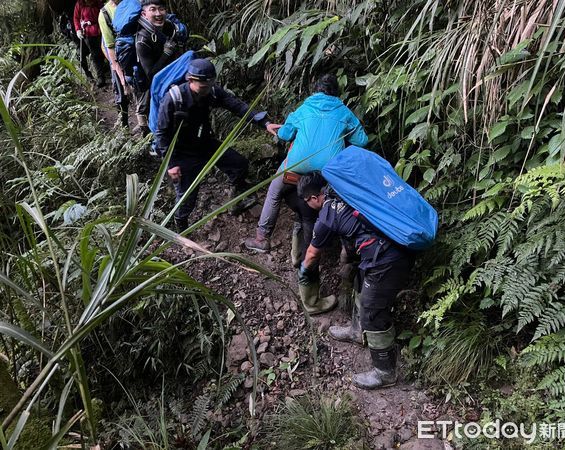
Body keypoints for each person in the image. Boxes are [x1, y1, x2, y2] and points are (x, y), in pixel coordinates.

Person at [297, 172, 415, 389]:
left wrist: (303, 271)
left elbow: (312, 254)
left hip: (387, 257)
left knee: (373, 310)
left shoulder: (326, 216)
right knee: (360, 284)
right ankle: (357, 332)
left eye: (306, 201)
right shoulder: (343, 192)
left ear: (313, 198)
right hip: (385, 248)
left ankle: (385, 372)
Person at [244, 74, 368, 260]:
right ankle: (348, 250)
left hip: (297, 166)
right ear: (336, 92)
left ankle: (262, 238)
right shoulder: (344, 112)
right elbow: (362, 140)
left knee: (274, 191)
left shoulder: (305, 108)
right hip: (328, 170)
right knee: (341, 201)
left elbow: (285, 134)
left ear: (316, 90)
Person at [154, 58, 281, 231]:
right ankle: (180, 231)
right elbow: (161, 133)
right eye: (203, 87)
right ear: (189, 80)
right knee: (187, 197)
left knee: (239, 164)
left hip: (205, 142)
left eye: (210, 85)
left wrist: (264, 122)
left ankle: (234, 199)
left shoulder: (211, 91)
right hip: (182, 153)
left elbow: (236, 106)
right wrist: (171, 164)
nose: (207, 90)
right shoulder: (173, 99)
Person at [133, 0, 182, 135]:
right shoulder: (142, 39)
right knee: (156, 118)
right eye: (153, 9)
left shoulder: (169, 28)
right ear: (144, 14)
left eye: (161, 9)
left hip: (173, 77)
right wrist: (166, 53)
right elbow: (151, 74)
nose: (158, 13)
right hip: (151, 83)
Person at [98, 0, 130, 128]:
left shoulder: (133, 4)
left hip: (136, 55)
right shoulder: (104, 14)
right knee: (121, 93)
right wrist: (120, 73)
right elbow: (108, 46)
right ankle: (124, 124)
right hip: (116, 58)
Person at [73, 0, 107, 87]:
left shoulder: (98, 2)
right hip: (88, 33)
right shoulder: (80, 4)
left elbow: (104, 12)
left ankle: (105, 71)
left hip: (100, 30)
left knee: (103, 52)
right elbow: (76, 18)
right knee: (95, 54)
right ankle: (101, 77)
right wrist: (78, 30)